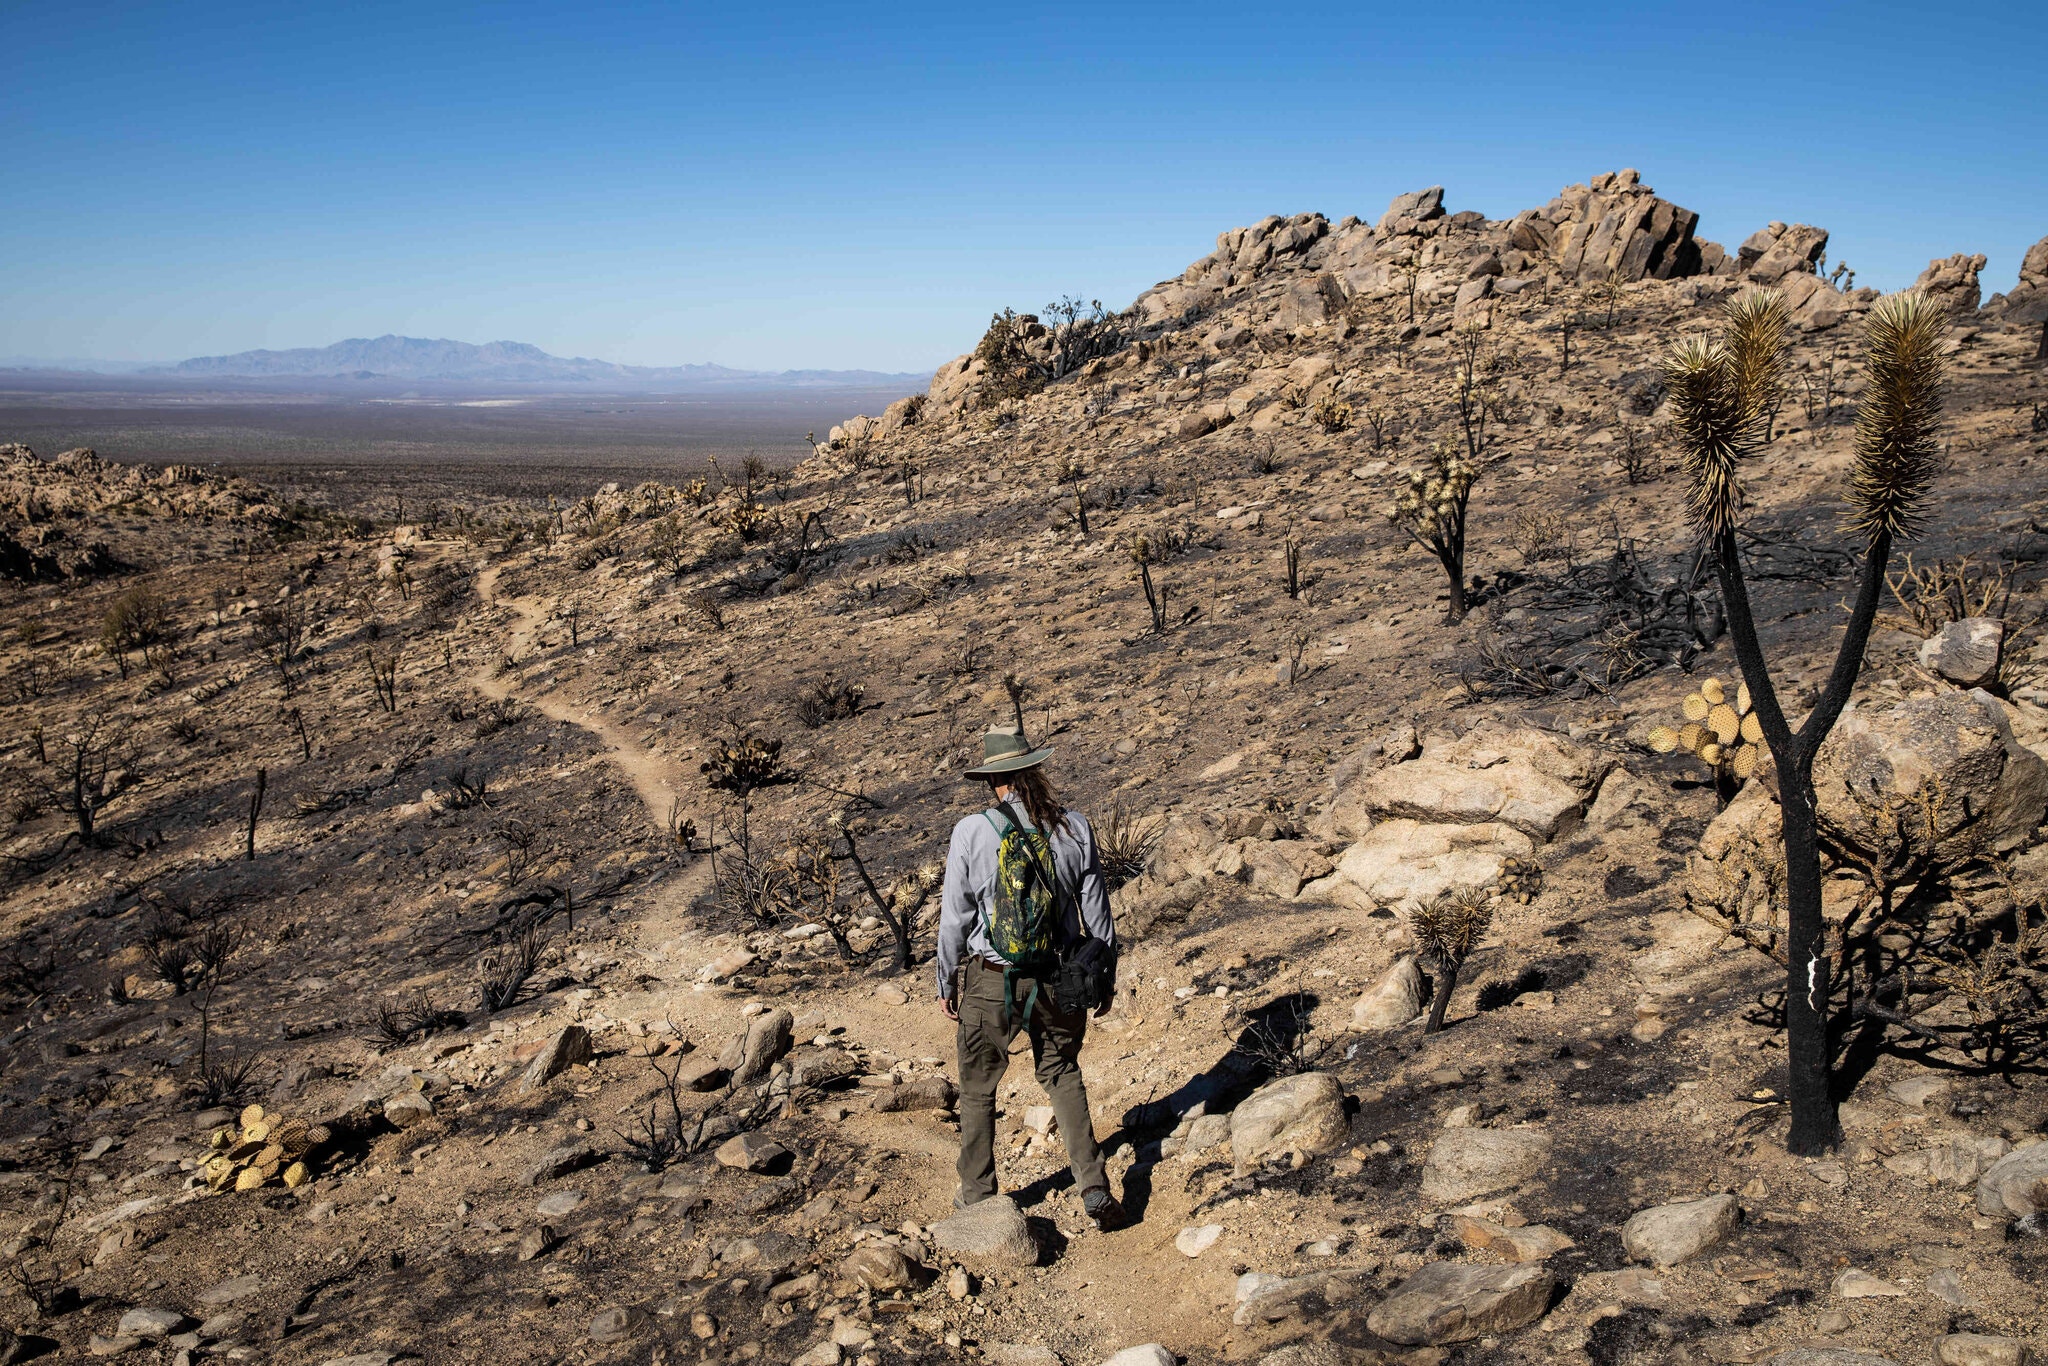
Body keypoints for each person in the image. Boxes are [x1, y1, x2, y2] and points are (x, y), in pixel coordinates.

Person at [935, 724, 1126, 1230]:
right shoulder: (1075, 828)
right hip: (1058, 976)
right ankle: (1092, 1184)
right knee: (1062, 1074)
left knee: (978, 1087)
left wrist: (946, 980)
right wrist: (1103, 978)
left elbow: (954, 917)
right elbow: (1097, 915)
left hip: (989, 978)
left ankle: (977, 1195)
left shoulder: (972, 832)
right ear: (1036, 769)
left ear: (994, 780)